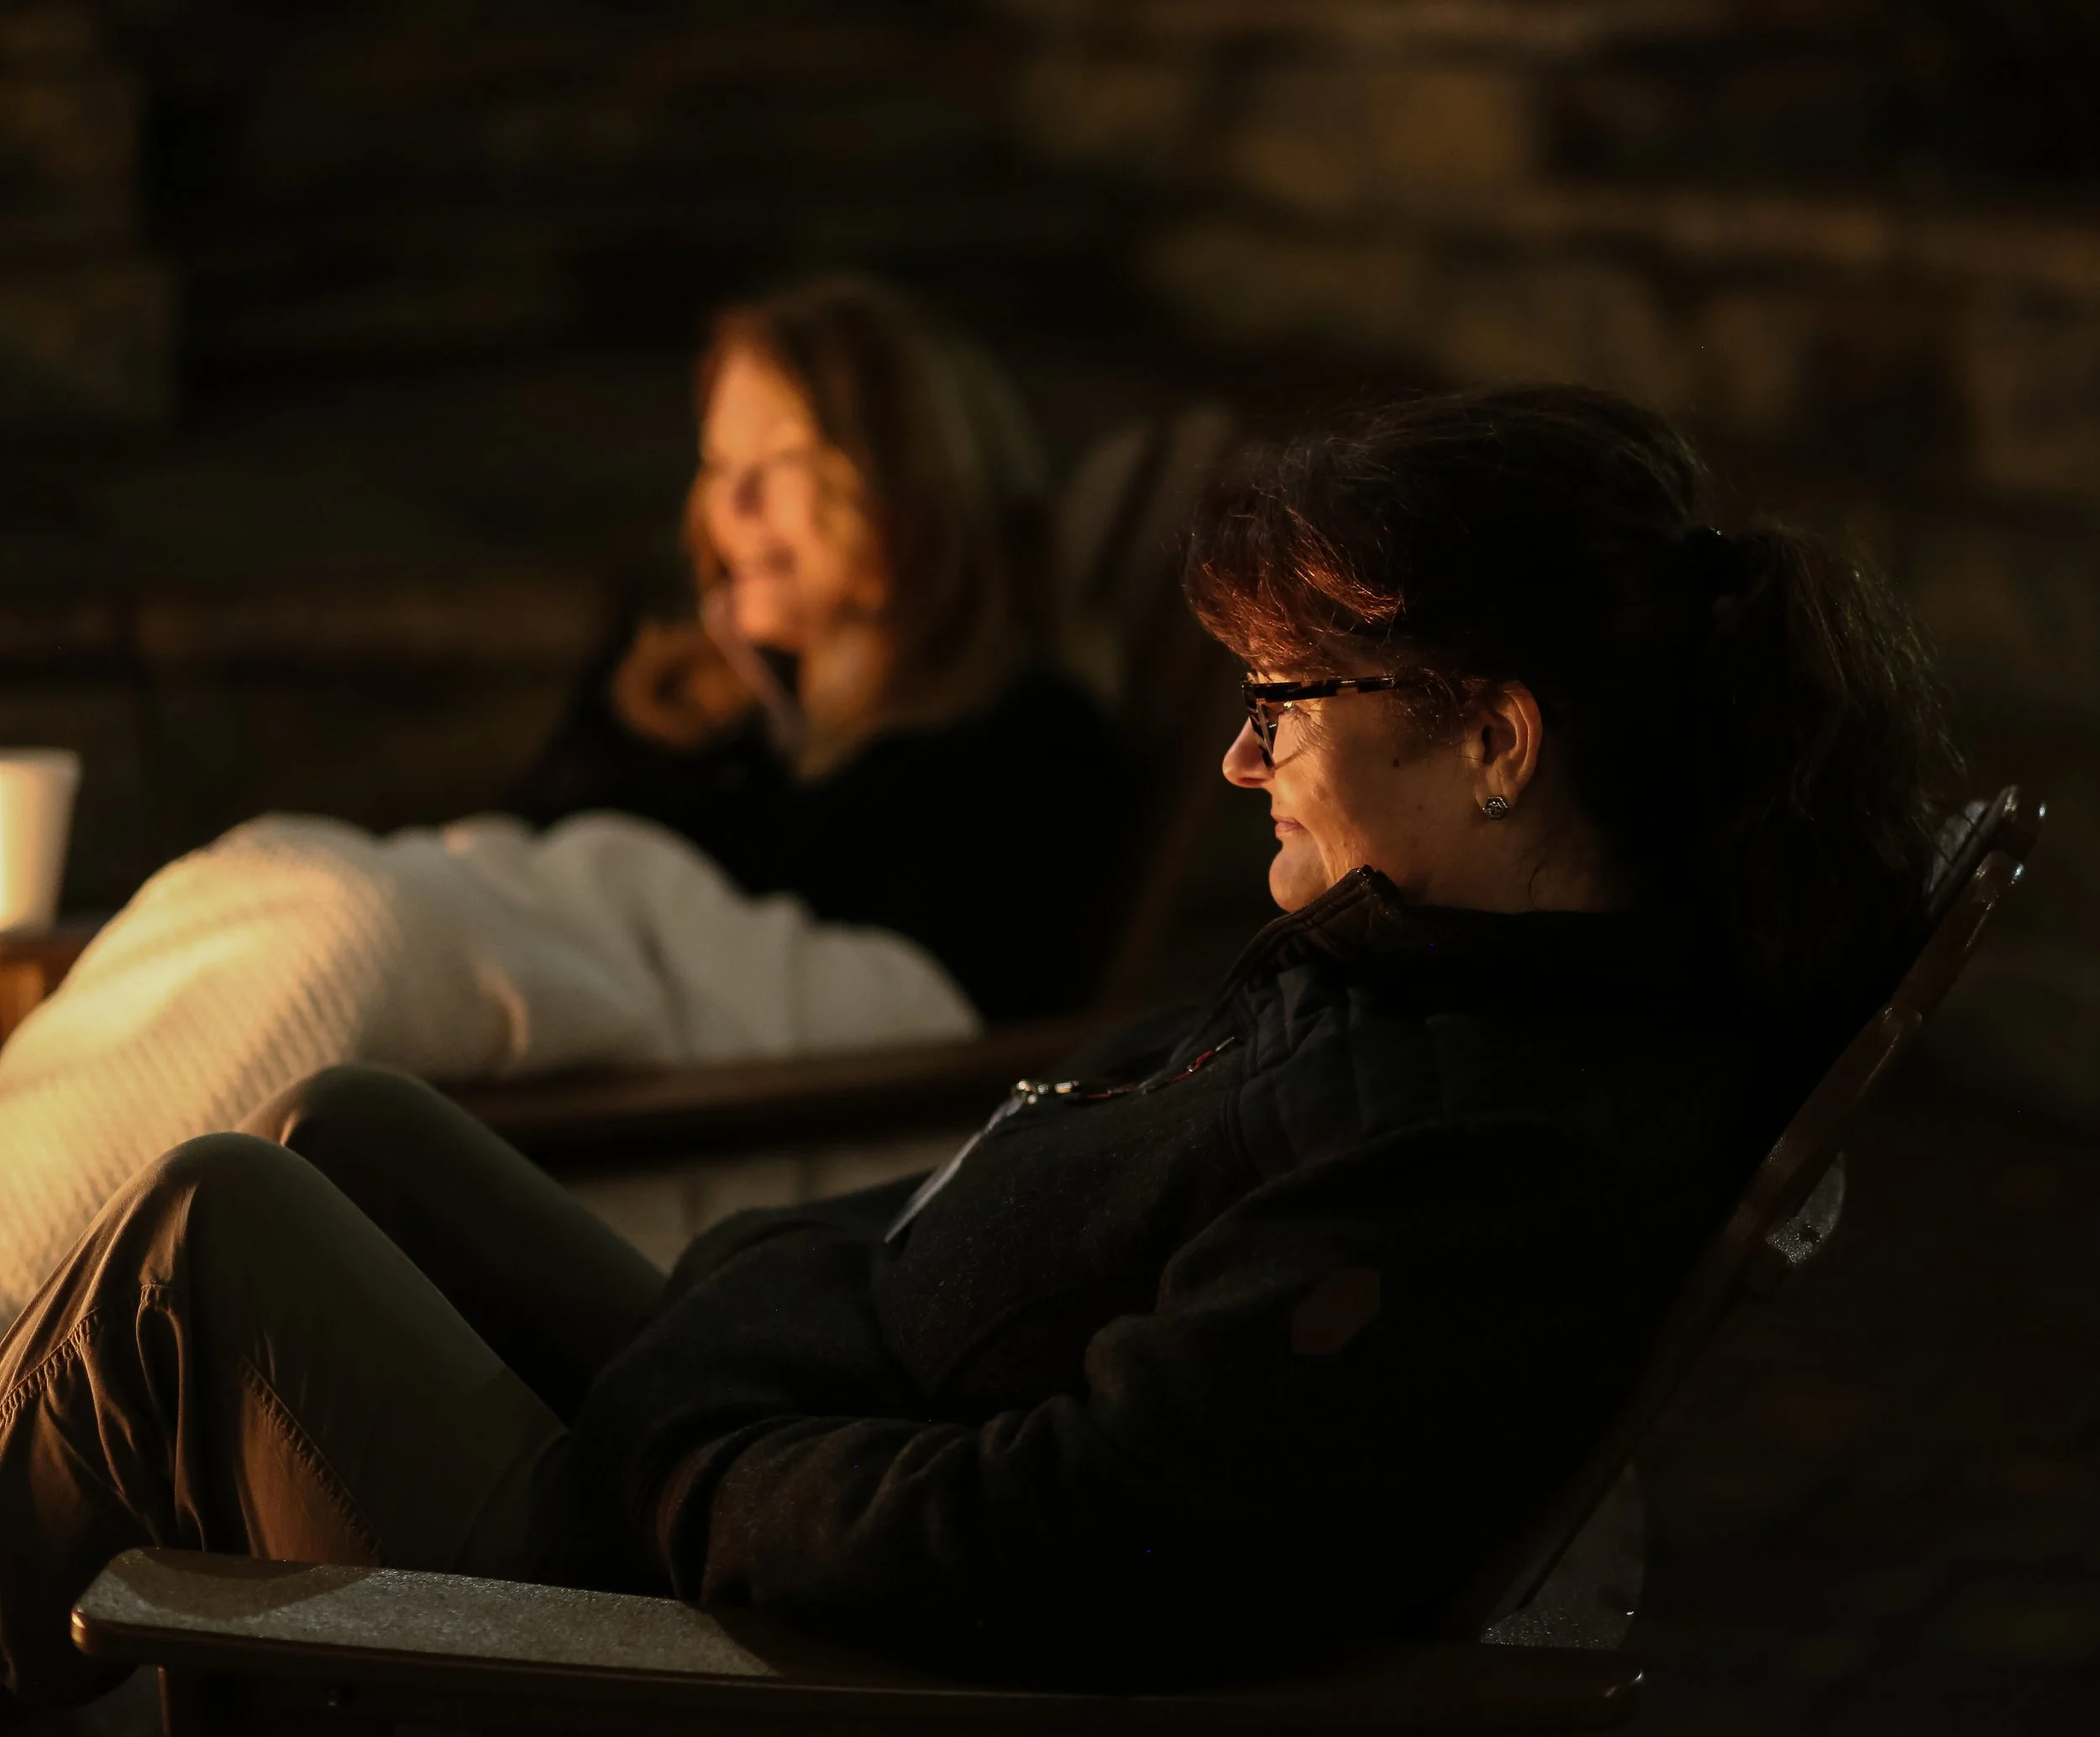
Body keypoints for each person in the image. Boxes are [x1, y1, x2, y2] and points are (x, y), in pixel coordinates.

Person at [0, 385, 1955, 1716]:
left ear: (1500, 738)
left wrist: (700, 1427)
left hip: (741, 1650)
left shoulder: (1475, 1157)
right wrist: (745, 1333)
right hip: (778, 1440)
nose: (1236, 752)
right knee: (351, 1121)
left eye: (1286, 699)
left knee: (211, 1237)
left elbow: (1048, 1539)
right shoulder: (1440, 977)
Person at [508, 274, 1132, 1021]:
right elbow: (511, 870)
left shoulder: (1023, 752)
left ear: (914, 486)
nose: (732, 507)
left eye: (785, 459)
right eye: (718, 464)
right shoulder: (664, 699)